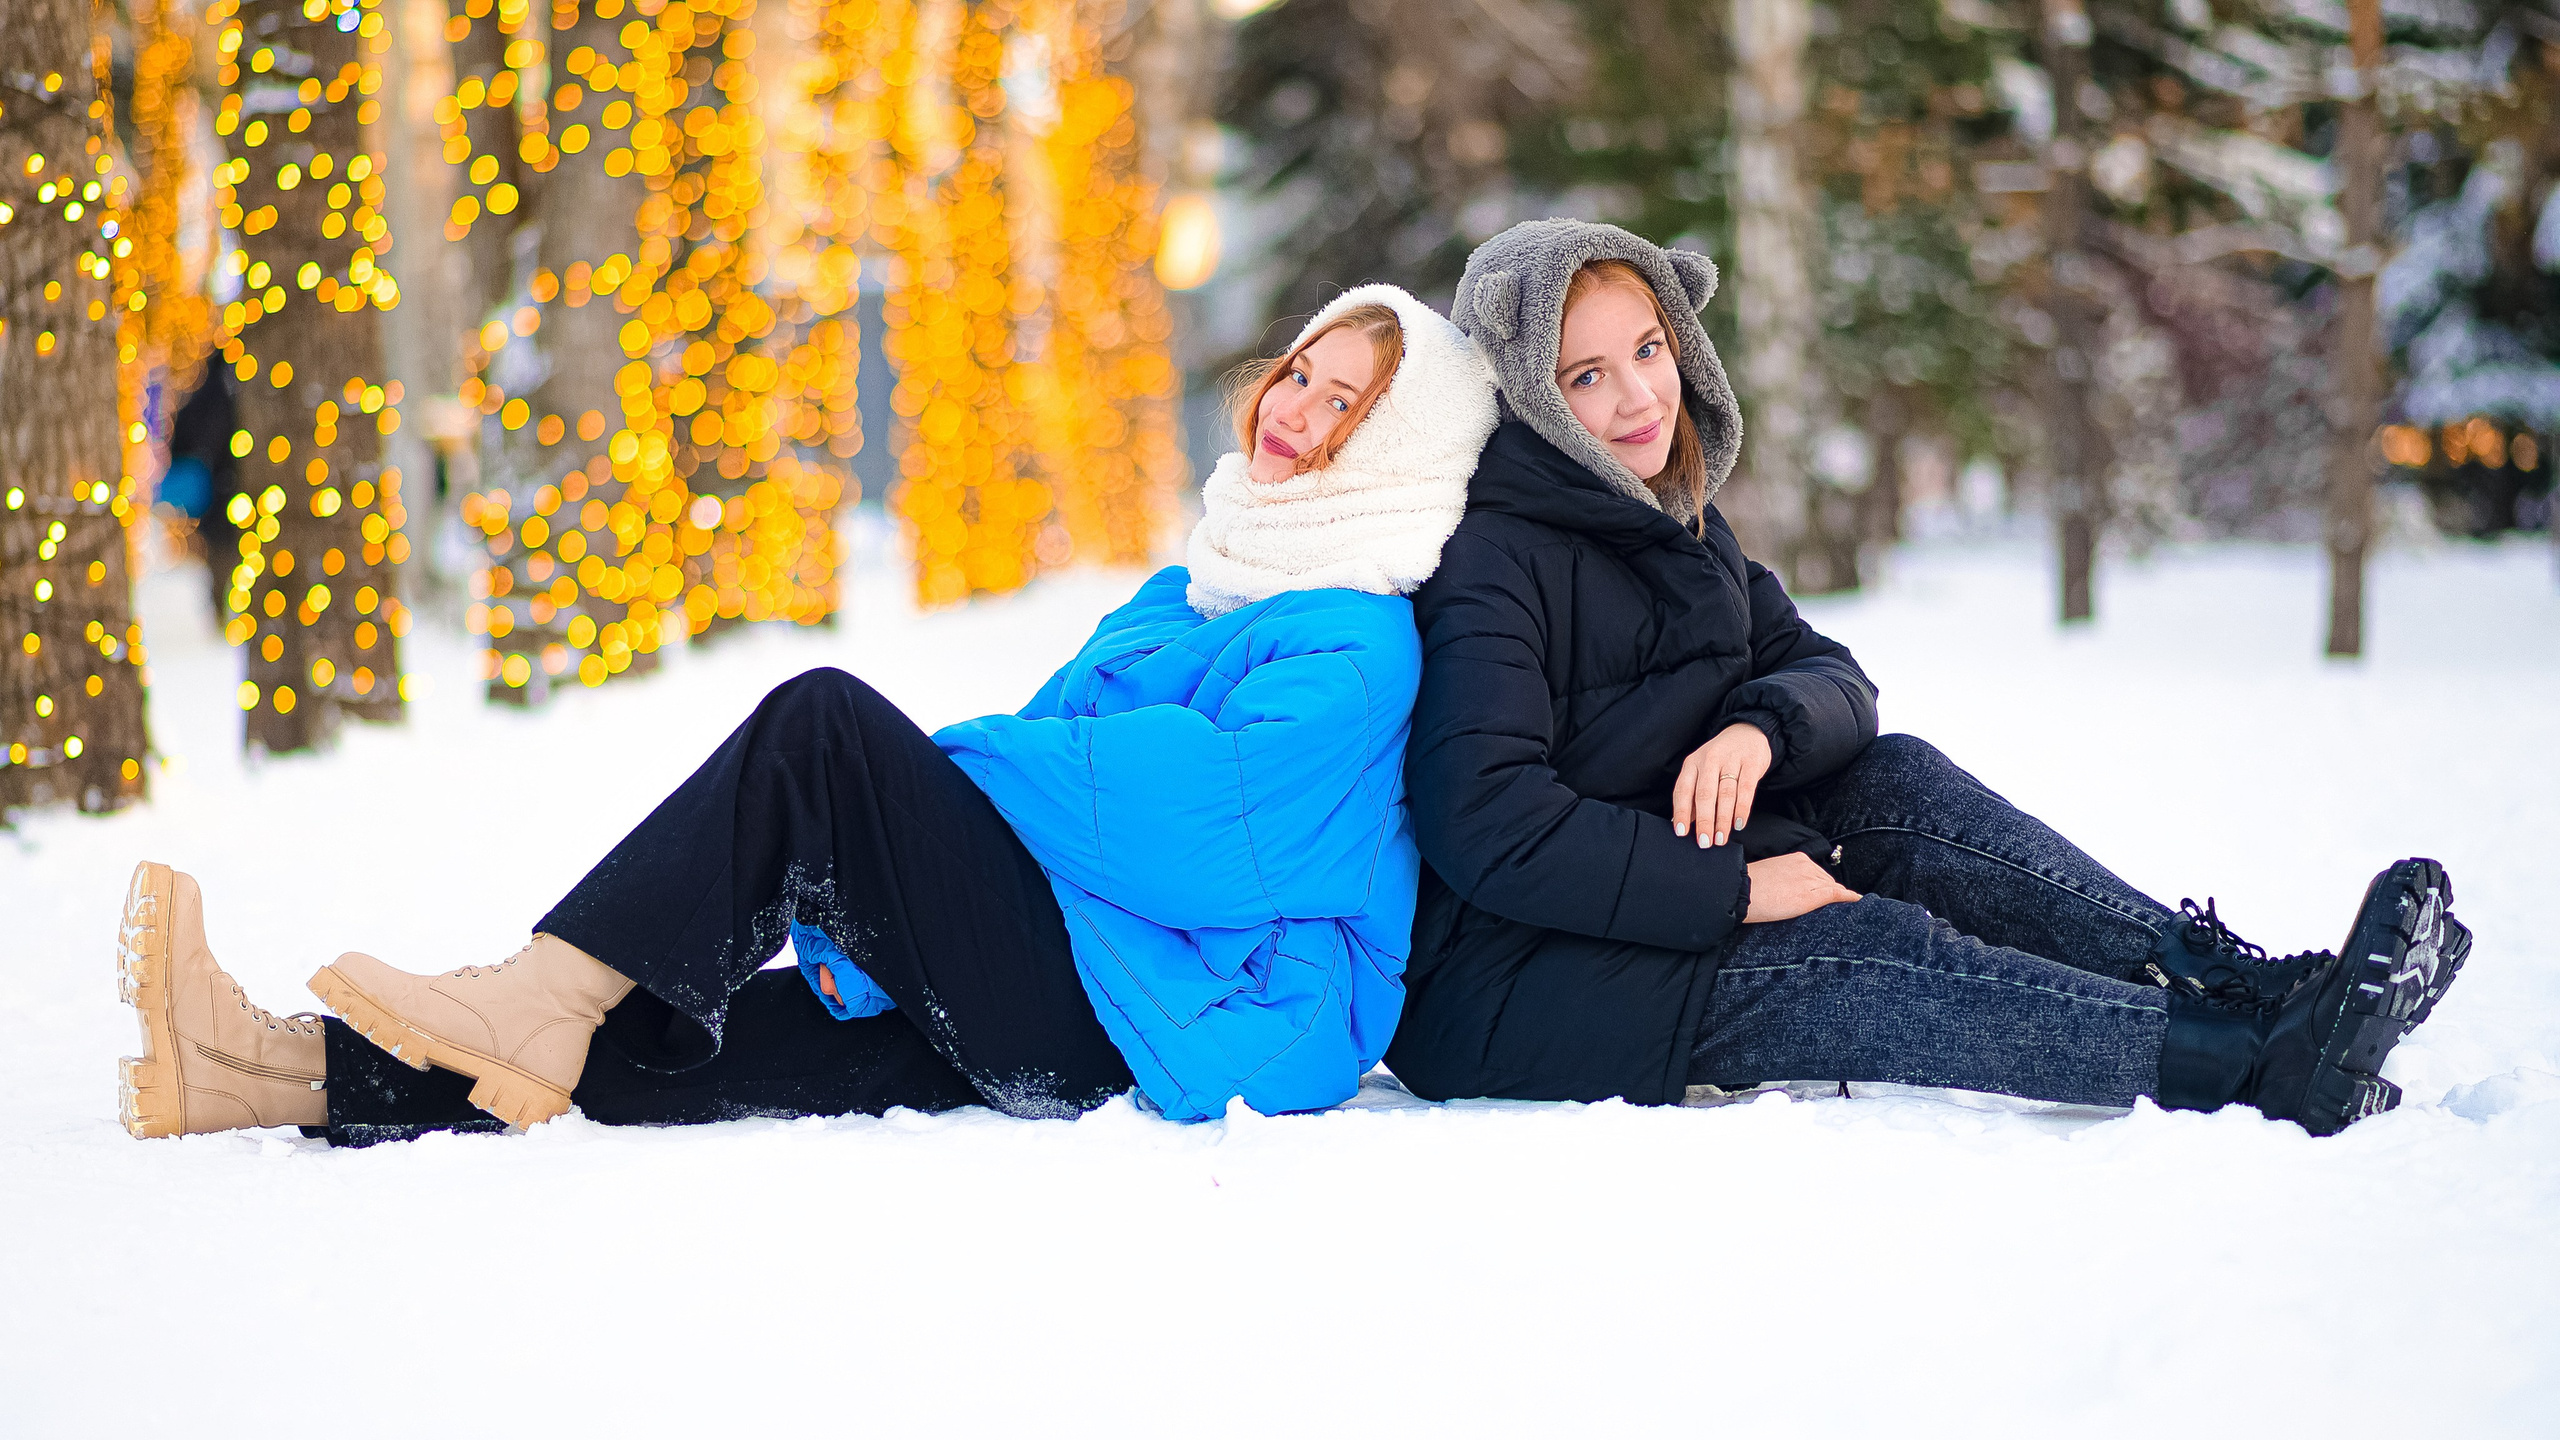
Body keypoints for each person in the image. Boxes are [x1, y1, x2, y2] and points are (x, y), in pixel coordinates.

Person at [115, 283, 1500, 1144]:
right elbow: (1077, 777)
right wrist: (939, 840)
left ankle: (535, 990)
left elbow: (1199, 817)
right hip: (1091, 971)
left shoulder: (1357, 632)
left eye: (1346, 403)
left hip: (1171, 1011)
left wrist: (937, 783)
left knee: (825, 730)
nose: (1298, 408)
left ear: (1394, 449)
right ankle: (266, 1073)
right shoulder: (1202, 584)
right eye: (1305, 370)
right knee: (676, 1043)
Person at [1387, 218, 2471, 1135]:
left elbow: (1828, 677)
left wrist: (1757, 730)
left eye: (1649, 348)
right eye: (1586, 374)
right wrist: (1734, 889)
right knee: (1859, 953)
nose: (1638, 395)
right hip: (1523, 976)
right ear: (1529, 393)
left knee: (1893, 780)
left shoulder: (1678, 524)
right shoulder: (1488, 559)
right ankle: (2249, 1063)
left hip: (1654, 879)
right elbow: (1486, 822)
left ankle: (2266, 993)